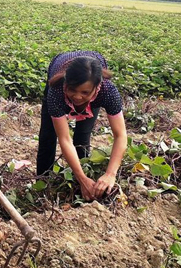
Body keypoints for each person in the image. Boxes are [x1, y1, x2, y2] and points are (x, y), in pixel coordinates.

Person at [35, 51, 128, 200]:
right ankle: (42, 188)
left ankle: (82, 185)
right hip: (59, 68)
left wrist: (110, 174)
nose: (78, 97)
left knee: (82, 138)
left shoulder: (107, 91)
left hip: (94, 84)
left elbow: (121, 135)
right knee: (48, 138)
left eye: (85, 92)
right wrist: (82, 179)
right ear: (66, 84)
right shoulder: (56, 90)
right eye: (73, 90)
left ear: (97, 87)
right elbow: (64, 139)